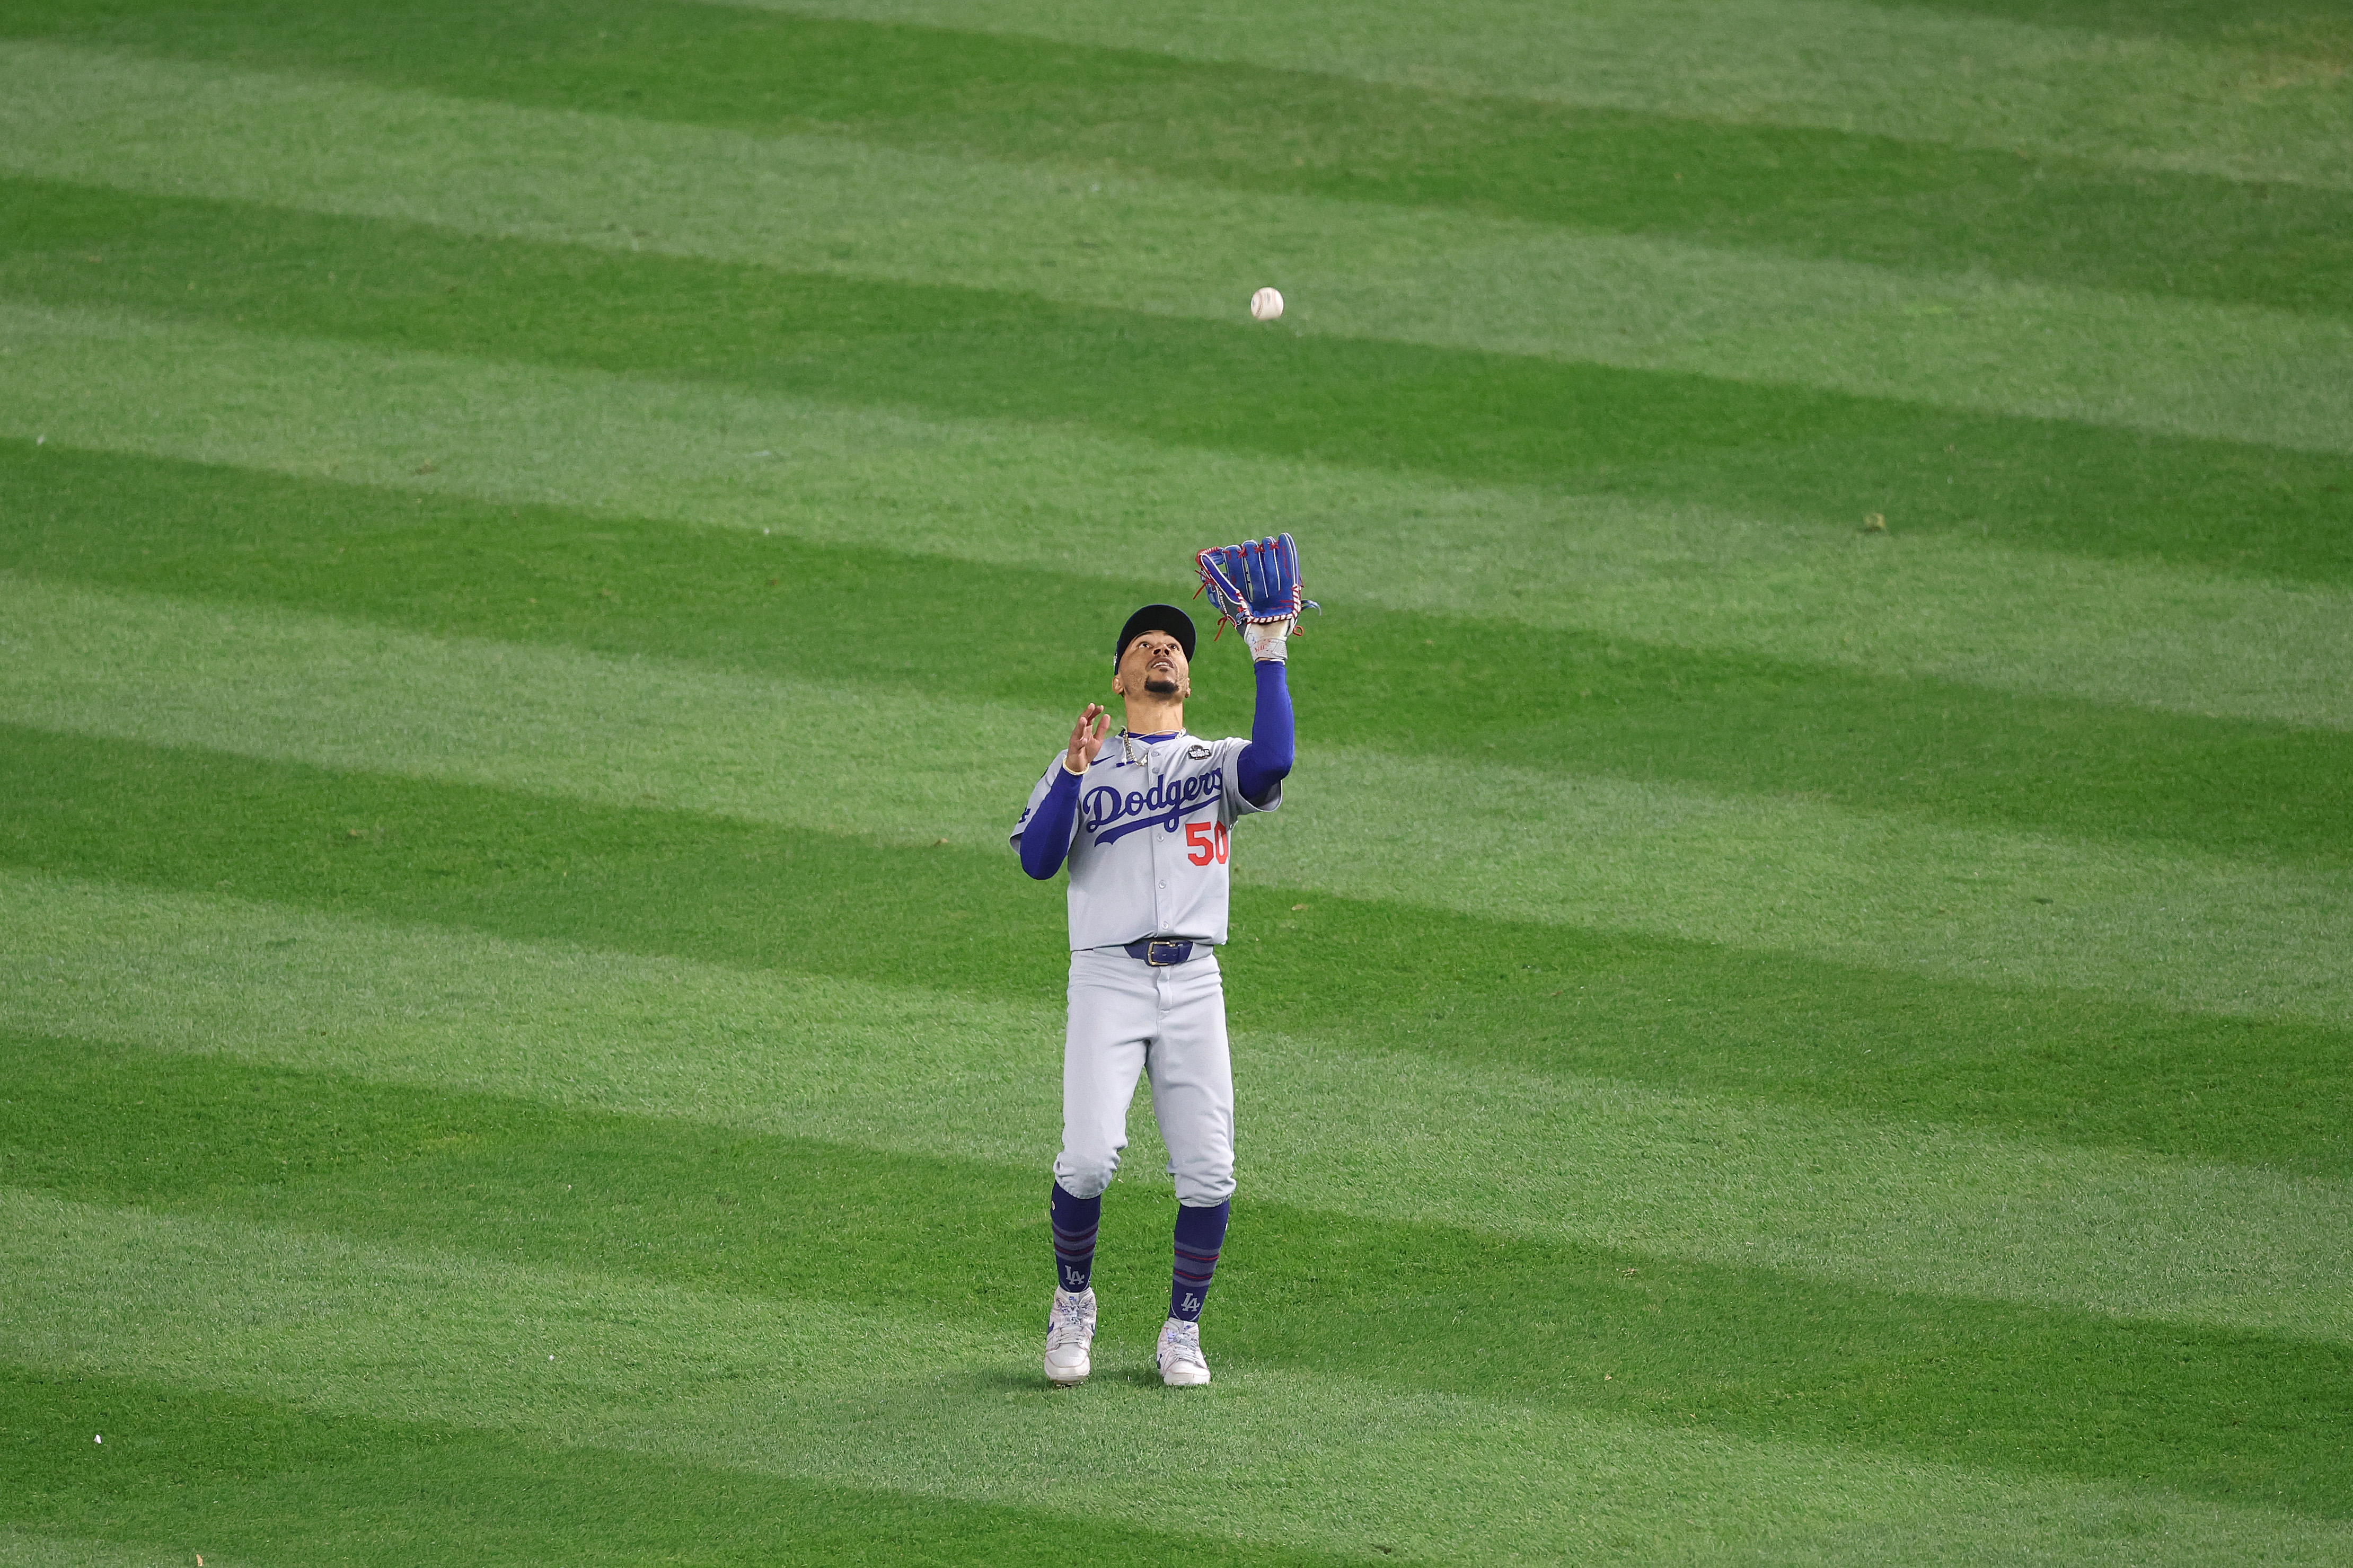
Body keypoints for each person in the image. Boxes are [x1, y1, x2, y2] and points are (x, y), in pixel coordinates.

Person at [1009, 601, 1297, 1386]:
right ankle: (1073, 1305)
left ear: (1189, 678)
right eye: (1145, 645)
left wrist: (1268, 656)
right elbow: (1038, 861)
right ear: (1120, 675)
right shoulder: (1083, 763)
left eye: (1173, 646)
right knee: (1091, 1159)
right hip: (1107, 974)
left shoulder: (1215, 761)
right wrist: (1071, 772)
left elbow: (1274, 763)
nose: (1162, 650)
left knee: (1210, 1173)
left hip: (1196, 980)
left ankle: (1183, 1331)